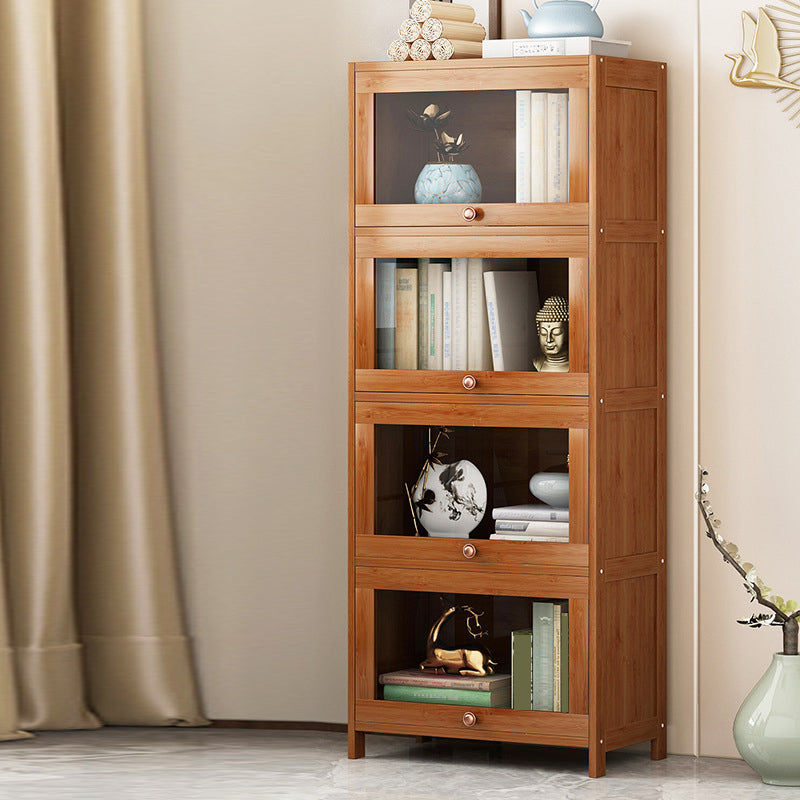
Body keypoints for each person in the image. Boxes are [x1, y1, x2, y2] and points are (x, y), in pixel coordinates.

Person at [532, 296, 569, 372]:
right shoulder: (537, 363)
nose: (548, 339)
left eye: (556, 333)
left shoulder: (579, 365)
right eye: (544, 333)